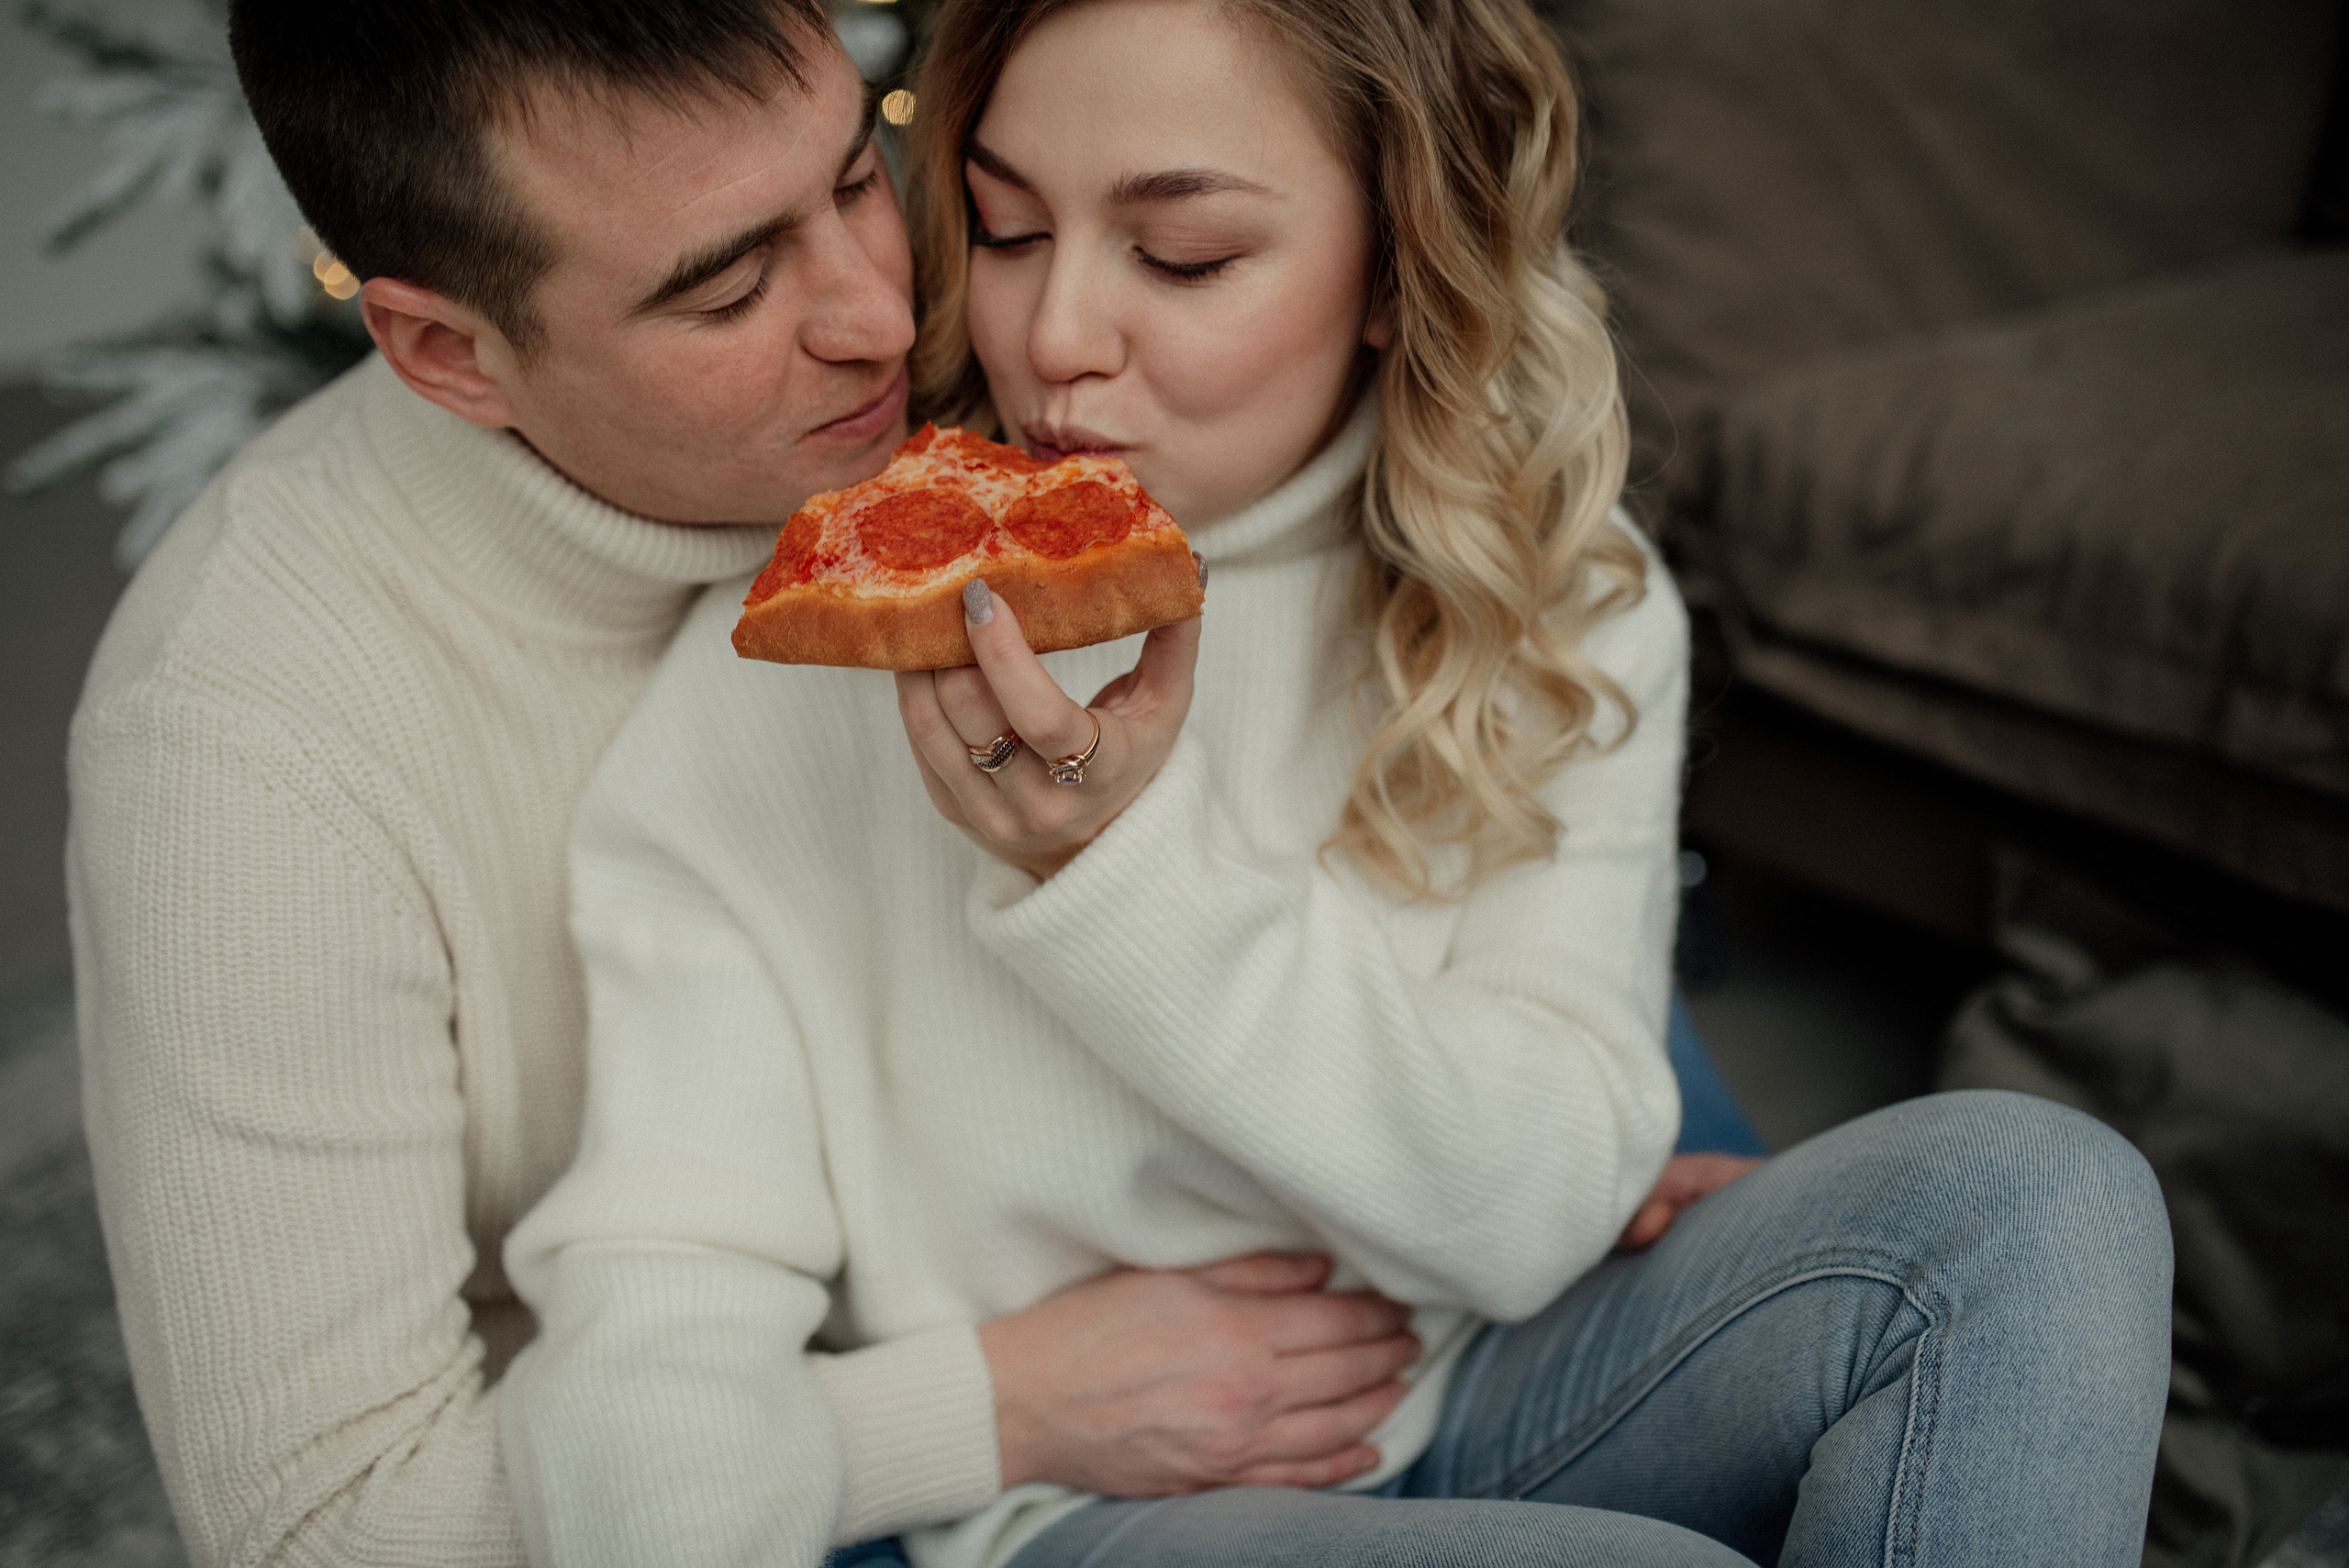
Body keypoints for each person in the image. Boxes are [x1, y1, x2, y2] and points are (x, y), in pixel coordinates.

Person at [498, 0, 2175, 1562]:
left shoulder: (1555, 598)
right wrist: (962, 1414)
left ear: (1392, 263)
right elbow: (651, 1351)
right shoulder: (809, 657)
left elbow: (1536, 1213)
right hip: (1078, 1509)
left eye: (1183, 251)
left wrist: (1125, 870)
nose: (1055, 333)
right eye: (1006, 228)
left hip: (1500, 1375)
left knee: (2044, 1197)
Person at [67, 2, 1507, 1561]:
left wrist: (1491, 1098)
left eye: (857, 171)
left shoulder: (999, 344)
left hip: (1236, 1198)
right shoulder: (241, 753)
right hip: (736, 1490)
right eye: (730, 286)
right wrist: (984, 1407)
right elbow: (325, 1530)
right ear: (445, 351)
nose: (884, 318)